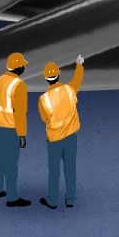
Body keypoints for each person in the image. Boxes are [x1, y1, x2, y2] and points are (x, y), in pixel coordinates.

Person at [38, 54, 85, 210]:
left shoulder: (43, 99)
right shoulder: (69, 90)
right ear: (58, 75)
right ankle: (70, 199)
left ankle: (52, 201)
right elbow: (78, 79)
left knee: (54, 171)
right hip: (71, 137)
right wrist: (79, 64)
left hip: (54, 140)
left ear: (46, 78)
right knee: (70, 169)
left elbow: (44, 118)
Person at [0, 52, 32, 207]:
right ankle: (12, 198)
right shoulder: (19, 85)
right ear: (19, 67)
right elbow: (20, 113)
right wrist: (22, 134)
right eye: (23, 65)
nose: (24, 67)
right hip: (11, 129)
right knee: (11, 163)